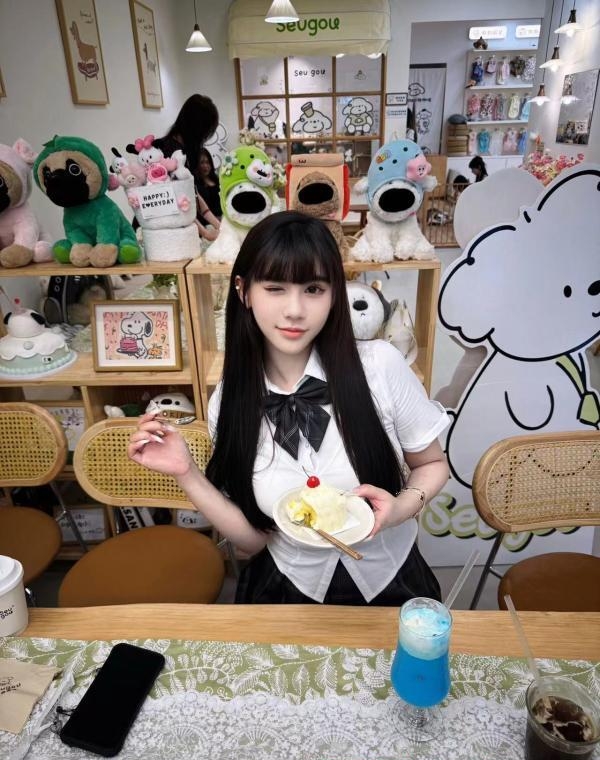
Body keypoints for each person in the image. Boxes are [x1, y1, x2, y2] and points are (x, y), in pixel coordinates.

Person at [128, 211, 450, 606]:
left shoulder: (380, 366)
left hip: (393, 579)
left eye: (313, 288)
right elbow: (253, 540)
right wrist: (187, 473)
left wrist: (401, 508)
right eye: (275, 288)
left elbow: (432, 464)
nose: (295, 310)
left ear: (334, 294)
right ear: (244, 291)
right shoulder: (228, 401)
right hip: (285, 587)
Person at [153, 93, 220, 240]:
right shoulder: (165, 152)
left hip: (186, 223)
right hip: (165, 229)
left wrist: (219, 226)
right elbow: (176, 200)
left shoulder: (189, 150)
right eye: (205, 132)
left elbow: (192, 193)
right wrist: (205, 233)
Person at [195, 148, 222, 226]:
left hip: (222, 220)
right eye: (202, 162)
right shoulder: (196, 185)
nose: (205, 166)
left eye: (207, 162)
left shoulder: (217, 180)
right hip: (208, 224)